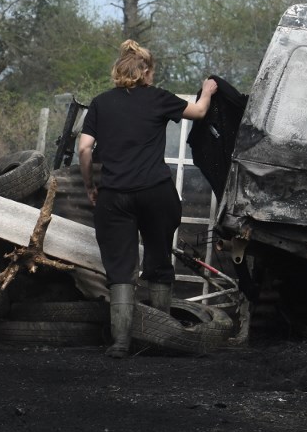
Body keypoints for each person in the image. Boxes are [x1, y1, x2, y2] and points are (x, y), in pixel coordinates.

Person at [77, 39, 218, 359]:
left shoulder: (100, 103)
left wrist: (90, 185)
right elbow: (197, 111)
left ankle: (121, 343)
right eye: (152, 71)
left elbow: (84, 148)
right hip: (156, 192)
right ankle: (162, 338)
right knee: (158, 261)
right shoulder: (158, 98)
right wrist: (207, 91)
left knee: (121, 269)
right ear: (145, 72)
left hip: (115, 196)